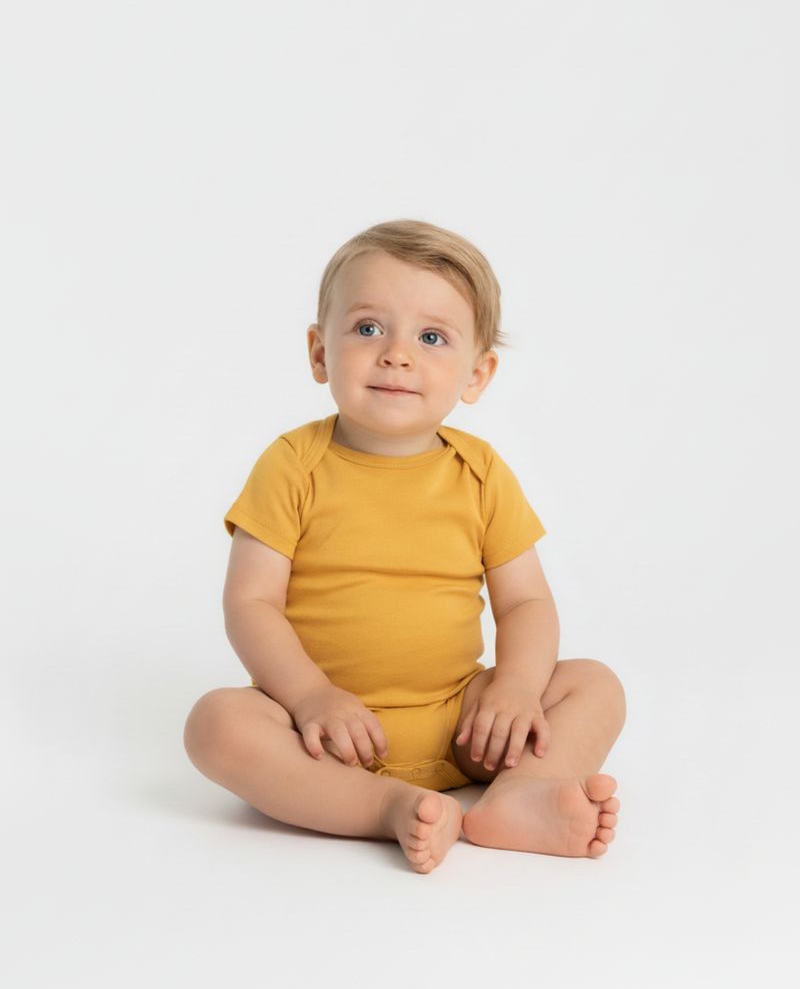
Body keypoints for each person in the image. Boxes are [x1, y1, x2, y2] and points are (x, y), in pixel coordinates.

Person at [183, 219, 625, 873]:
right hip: (323, 733)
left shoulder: (481, 473)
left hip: (463, 723)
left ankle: (521, 794)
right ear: (319, 352)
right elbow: (251, 603)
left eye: (431, 337)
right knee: (215, 724)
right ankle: (382, 807)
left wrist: (515, 689)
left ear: (477, 374)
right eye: (368, 328)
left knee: (594, 685)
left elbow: (526, 602)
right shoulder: (291, 465)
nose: (397, 354)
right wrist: (308, 696)